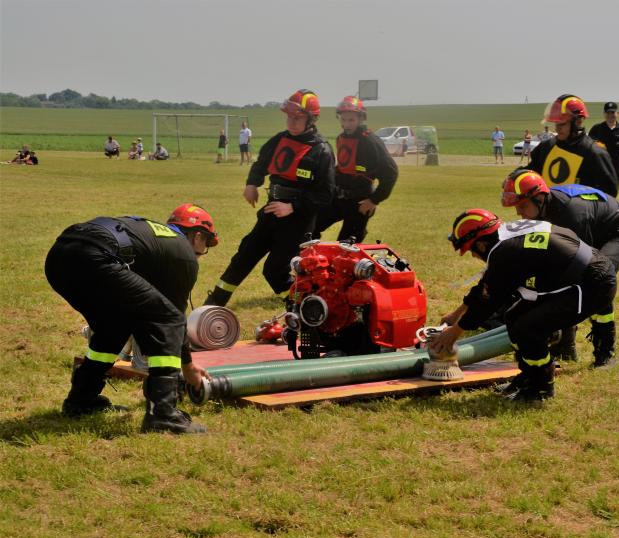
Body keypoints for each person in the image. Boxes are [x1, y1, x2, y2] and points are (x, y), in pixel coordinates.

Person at [44, 204, 219, 433]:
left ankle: (81, 400)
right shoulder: (184, 256)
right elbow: (173, 318)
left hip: (60, 256)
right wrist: (188, 367)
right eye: (206, 245)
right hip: (96, 258)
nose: (201, 253)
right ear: (197, 236)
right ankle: (163, 415)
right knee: (169, 320)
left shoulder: (154, 236)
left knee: (113, 325)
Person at [432, 209, 617, 401]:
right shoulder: (507, 237)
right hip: (584, 274)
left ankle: (541, 387)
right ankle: (528, 377)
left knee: (528, 327)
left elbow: (489, 302)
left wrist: (455, 332)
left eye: (471, 250)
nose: (472, 256)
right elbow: (487, 286)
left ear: (480, 243)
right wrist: (457, 314)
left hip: (592, 284)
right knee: (513, 316)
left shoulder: (504, 252)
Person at [204, 89, 335, 307]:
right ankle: (212, 307)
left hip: (297, 220)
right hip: (270, 211)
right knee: (243, 257)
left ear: (311, 120)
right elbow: (261, 163)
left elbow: (326, 194)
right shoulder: (279, 140)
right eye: (289, 117)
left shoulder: (321, 150)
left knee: (274, 271)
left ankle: (305, 309)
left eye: (298, 118)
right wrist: (252, 183)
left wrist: (292, 206)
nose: (291, 122)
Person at [501, 169, 619, 368]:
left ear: (539, 198)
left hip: (617, 233)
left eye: (522, 206)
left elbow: (583, 264)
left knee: (596, 280)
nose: (518, 213)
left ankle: (606, 352)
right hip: (593, 225)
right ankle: (565, 346)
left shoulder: (572, 215)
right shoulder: (545, 208)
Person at [312, 96, 398, 243]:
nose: (347, 124)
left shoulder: (370, 141)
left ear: (360, 119)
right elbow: (343, 167)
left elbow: (391, 172)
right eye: (343, 120)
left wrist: (373, 200)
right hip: (338, 198)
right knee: (310, 228)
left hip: (360, 202)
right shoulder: (341, 138)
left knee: (346, 246)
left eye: (351, 120)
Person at [526, 94, 618, 196]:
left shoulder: (594, 153)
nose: (557, 129)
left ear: (578, 122)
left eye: (562, 124)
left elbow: (609, 193)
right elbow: (531, 171)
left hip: (581, 212)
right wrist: (515, 176)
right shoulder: (546, 147)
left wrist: (579, 204)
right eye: (556, 124)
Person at [589, 102, 619, 183]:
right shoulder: (596, 128)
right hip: (600, 164)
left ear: (617, 113)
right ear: (604, 114)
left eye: (612, 112)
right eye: (608, 112)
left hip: (616, 165)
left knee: (614, 188)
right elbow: (590, 148)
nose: (610, 115)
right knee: (600, 188)